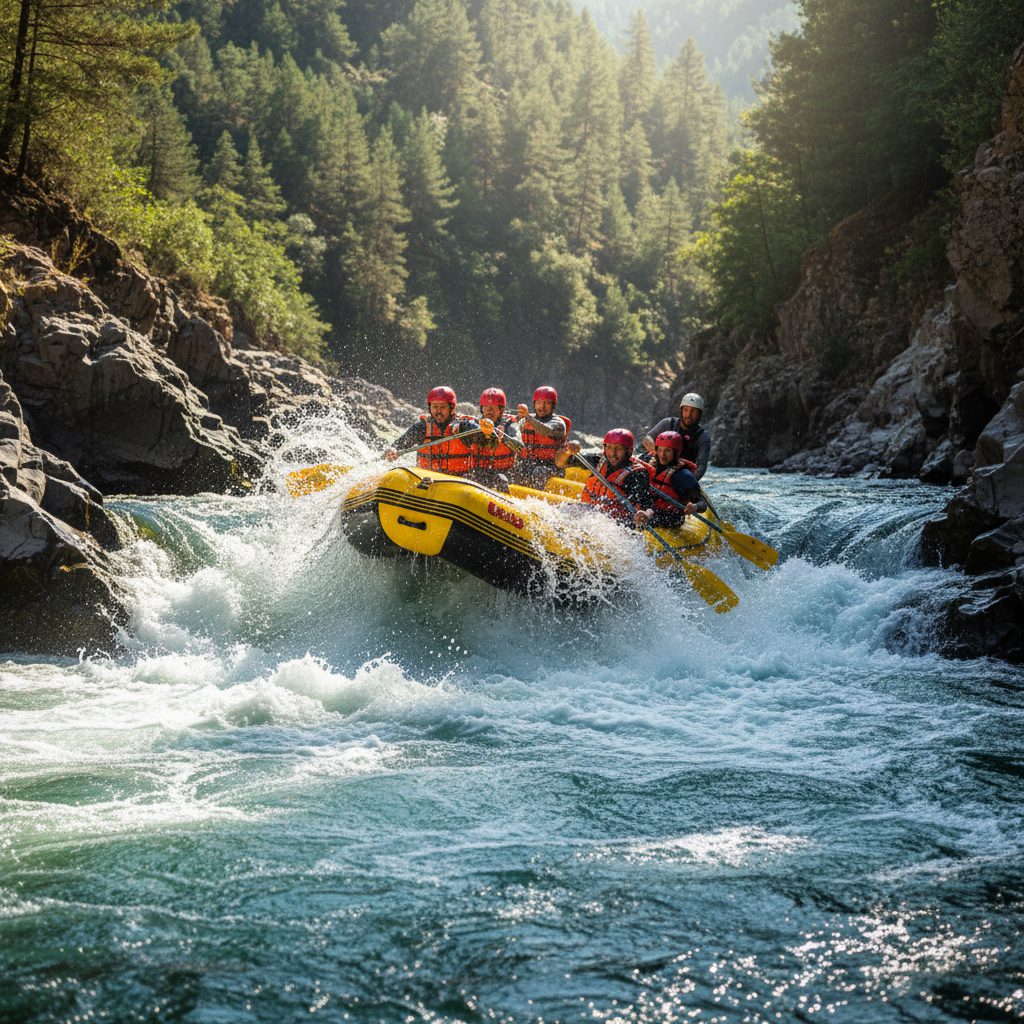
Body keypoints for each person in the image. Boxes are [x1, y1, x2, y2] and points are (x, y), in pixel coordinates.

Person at [558, 428, 653, 526]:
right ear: (604, 448)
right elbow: (560, 462)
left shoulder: (637, 474)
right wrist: (567, 450)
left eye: (619, 449)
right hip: (588, 514)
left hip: (615, 524)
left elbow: (647, 505)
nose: (613, 453)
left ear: (629, 451)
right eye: (609, 447)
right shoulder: (598, 460)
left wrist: (645, 515)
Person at [384, 385, 478, 475]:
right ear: (430, 408)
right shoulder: (422, 427)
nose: (438, 411)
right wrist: (394, 449)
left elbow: (482, 437)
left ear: (451, 408)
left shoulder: (464, 426)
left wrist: (486, 431)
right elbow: (402, 443)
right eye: (435, 407)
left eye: (443, 407)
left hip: (458, 482)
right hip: (427, 481)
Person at [634, 431, 707, 530]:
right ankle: (645, 514)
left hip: (669, 518)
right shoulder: (647, 460)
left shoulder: (683, 475)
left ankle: (647, 516)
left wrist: (695, 507)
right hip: (646, 509)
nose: (662, 455)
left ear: (676, 452)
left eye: (667, 451)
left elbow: (702, 503)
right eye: (660, 450)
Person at [511, 385, 571, 488]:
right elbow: (515, 432)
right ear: (534, 404)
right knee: (517, 468)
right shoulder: (525, 420)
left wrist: (528, 417)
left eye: (547, 403)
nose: (542, 407)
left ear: (553, 405)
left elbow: (545, 430)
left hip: (552, 467)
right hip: (530, 464)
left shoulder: (559, 423)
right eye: (539, 402)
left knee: (539, 471)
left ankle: (537, 499)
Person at [642, 392, 711, 480]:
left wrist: (689, 482)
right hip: (658, 465)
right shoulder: (668, 423)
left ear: (699, 414)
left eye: (693, 411)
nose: (688, 415)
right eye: (686, 410)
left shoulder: (703, 437)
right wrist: (658, 454)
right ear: (681, 411)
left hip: (680, 474)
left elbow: (701, 466)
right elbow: (647, 439)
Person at [468, 387, 522, 490]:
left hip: (505, 474)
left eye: (493, 408)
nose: (489, 411)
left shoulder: (510, 425)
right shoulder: (475, 425)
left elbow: (519, 446)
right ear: (481, 409)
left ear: (501, 410)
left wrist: (504, 438)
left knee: (500, 479)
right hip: (479, 473)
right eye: (486, 408)